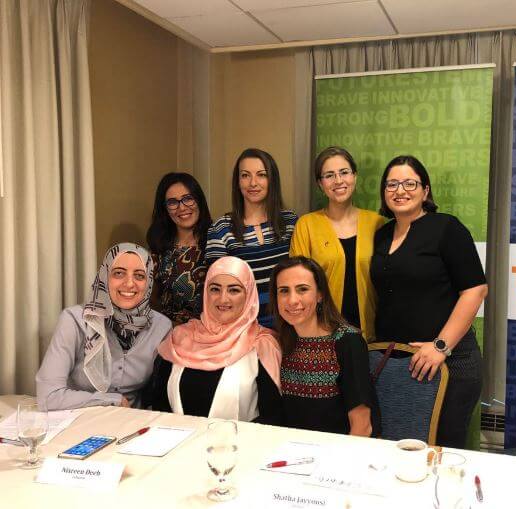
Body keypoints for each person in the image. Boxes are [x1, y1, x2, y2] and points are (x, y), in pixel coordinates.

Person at [370, 155, 488, 448]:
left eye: (410, 183)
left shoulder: (447, 228)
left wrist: (440, 347)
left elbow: (475, 290)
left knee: (441, 450)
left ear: (425, 190)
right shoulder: (381, 235)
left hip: (448, 362)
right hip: (398, 364)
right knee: (398, 449)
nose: (400, 190)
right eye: (392, 184)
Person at [36, 243, 172, 410]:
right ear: (104, 276)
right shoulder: (74, 320)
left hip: (132, 421)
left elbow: (161, 394)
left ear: (149, 282)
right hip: (77, 417)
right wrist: (110, 400)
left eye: (139, 275)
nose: (129, 283)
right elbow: (48, 397)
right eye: (119, 273)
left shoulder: (161, 327)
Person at [150, 257, 282, 422]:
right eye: (215, 289)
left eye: (234, 290)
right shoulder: (180, 337)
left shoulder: (262, 344)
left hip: (240, 438)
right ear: (206, 293)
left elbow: (273, 417)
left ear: (248, 295)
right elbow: (160, 406)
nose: (223, 299)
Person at [270, 256, 380, 436]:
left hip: (340, 448)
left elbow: (362, 426)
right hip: (290, 447)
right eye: (284, 291)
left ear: (320, 294)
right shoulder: (278, 342)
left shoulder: (347, 341)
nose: (292, 300)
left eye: (303, 289)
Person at [290, 147, 384, 340]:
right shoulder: (306, 225)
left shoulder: (377, 223)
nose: (338, 180)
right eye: (329, 175)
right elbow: (297, 284)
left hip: (372, 336)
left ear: (355, 176)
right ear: (320, 183)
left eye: (344, 172)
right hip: (321, 335)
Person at [206, 148, 297, 328]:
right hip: (244, 330)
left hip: (291, 325)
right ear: (237, 182)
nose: (253, 183)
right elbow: (216, 291)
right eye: (245, 175)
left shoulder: (291, 222)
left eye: (261, 175)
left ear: (272, 180)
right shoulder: (221, 229)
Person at [146, 172, 212, 325]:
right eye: (172, 202)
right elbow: (150, 303)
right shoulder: (158, 248)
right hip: (168, 332)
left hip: (211, 332)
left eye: (188, 198)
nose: (182, 207)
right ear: (165, 209)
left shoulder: (216, 242)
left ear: (199, 200)